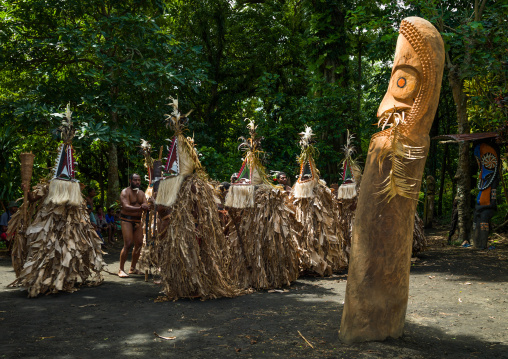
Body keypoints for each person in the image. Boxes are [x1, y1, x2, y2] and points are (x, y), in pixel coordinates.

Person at [118, 173, 148, 278]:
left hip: (137, 221)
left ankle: (132, 268)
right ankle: (121, 269)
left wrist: (148, 206)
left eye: (139, 180)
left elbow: (145, 205)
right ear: (130, 181)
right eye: (135, 180)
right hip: (126, 220)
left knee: (139, 244)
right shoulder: (125, 192)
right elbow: (126, 206)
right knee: (128, 243)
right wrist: (140, 208)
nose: (137, 182)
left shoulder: (141, 193)